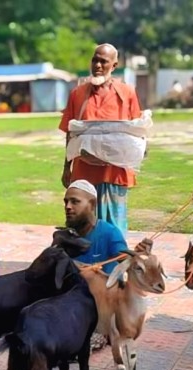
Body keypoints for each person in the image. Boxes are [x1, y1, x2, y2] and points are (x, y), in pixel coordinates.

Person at [60, 44, 142, 237]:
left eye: (103, 62)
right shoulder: (78, 94)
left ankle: (113, 264)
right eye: (95, 60)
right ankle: (85, 265)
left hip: (115, 173)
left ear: (114, 66)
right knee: (84, 228)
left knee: (114, 229)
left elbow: (136, 132)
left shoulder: (127, 93)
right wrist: (66, 167)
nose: (97, 65)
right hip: (84, 173)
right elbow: (70, 133)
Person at [64, 179, 152, 350]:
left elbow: (125, 258)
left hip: (101, 308)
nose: (68, 206)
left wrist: (140, 255)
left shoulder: (109, 233)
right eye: (66, 202)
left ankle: (102, 332)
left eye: (75, 201)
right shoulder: (65, 236)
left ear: (92, 204)